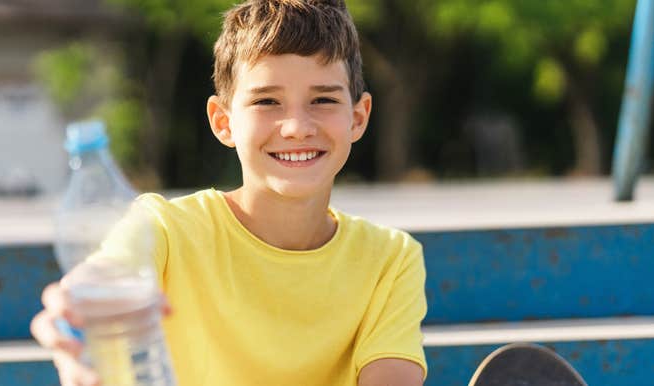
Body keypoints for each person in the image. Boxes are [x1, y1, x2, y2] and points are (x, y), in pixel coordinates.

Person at [30, 0, 427, 385]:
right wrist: (73, 311)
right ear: (223, 122)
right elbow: (104, 275)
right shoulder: (164, 229)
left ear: (357, 118)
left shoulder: (390, 260)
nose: (296, 127)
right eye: (267, 101)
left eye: (323, 99)